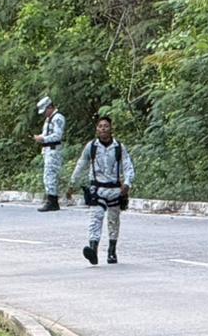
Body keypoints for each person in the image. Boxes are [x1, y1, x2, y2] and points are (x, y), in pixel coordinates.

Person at [68, 116, 135, 265]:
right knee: (95, 218)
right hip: (97, 189)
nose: (103, 129)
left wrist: (127, 183)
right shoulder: (91, 147)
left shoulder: (119, 147)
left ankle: (112, 250)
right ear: (96, 129)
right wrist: (72, 183)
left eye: (106, 126)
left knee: (113, 220)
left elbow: (127, 165)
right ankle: (93, 250)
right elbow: (81, 164)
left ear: (111, 128)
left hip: (115, 190)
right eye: (100, 126)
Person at [32, 96, 66, 212]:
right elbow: (46, 132)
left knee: (50, 175)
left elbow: (57, 135)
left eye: (45, 111)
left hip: (54, 150)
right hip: (47, 150)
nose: (44, 114)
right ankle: (51, 199)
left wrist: (43, 139)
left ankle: (52, 201)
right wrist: (40, 137)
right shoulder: (48, 119)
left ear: (50, 107)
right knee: (47, 176)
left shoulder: (58, 118)